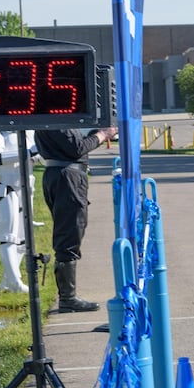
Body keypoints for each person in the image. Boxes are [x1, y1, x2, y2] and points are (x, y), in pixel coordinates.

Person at [33, 124, 120, 313]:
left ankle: (68, 296)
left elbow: (73, 144)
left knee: (70, 230)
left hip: (61, 175)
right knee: (70, 231)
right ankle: (67, 298)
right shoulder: (57, 119)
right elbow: (77, 148)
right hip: (68, 178)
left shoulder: (46, 118)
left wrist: (95, 135)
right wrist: (103, 135)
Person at [0, 130, 35, 294]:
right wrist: (32, 151)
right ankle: (14, 282)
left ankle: (8, 279)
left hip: (24, 186)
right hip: (5, 187)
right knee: (9, 237)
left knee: (23, 238)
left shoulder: (27, 131)